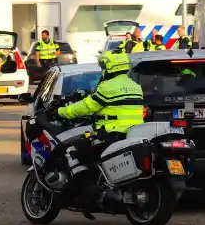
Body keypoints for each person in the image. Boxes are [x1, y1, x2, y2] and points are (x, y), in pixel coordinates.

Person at [56, 52, 146, 196]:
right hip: (132, 135)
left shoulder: (107, 87)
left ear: (110, 68)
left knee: (72, 151)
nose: (102, 69)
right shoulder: (136, 86)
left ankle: (81, 191)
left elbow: (87, 107)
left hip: (111, 134)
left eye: (104, 66)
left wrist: (62, 111)